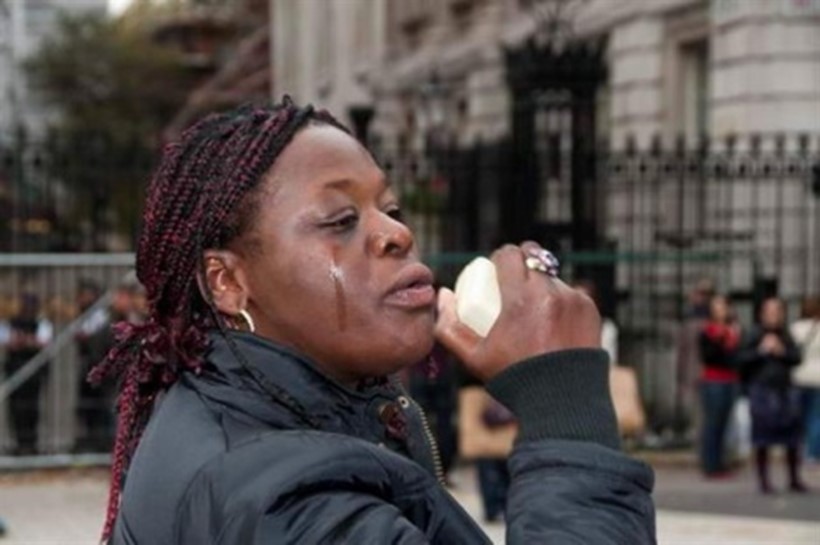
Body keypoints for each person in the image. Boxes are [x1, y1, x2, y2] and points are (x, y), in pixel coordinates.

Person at [92, 99, 655, 544]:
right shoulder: (278, 501)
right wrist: (566, 410)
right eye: (340, 220)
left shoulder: (286, 421)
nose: (397, 233)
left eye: (391, 210)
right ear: (227, 281)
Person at [737, 297, 807, 493]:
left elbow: (796, 357)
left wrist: (781, 351)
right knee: (762, 438)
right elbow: (741, 360)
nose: (774, 316)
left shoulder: (786, 335)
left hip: (784, 389)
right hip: (762, 389)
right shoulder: (754, 334)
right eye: (770, 311)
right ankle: (764, 481)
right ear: (762, 314)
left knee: (792, 438)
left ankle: (794, 478)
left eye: (778, 311)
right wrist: (762, 351)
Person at [3, 294, 53, 455]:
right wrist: (27, 342)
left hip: (34, 374)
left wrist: (24, 341)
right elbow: (7, 341)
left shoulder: (41, 323)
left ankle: (31, 444)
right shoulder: (11, 322)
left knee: (32, 410)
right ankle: (19, 444)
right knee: (16, 410)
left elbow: (43, 342)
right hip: (15, 370)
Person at [697, 295, 741, 477]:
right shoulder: (708, 331)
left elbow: (737, 357)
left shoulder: (734, 330)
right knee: (712, 423)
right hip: (714, 380)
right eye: (717, 307)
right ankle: (710, 463)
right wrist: (722, 337)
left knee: (725, 423)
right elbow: (710, 356)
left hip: (730, 379)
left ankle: (722, 461)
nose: (721, 311)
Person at [790, 296, 820, 463]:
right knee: (816, 417)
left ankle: (799, 449)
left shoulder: (795, 328)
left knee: (799, 416)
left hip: (799, 376)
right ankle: (813, 453)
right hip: (818, 378)